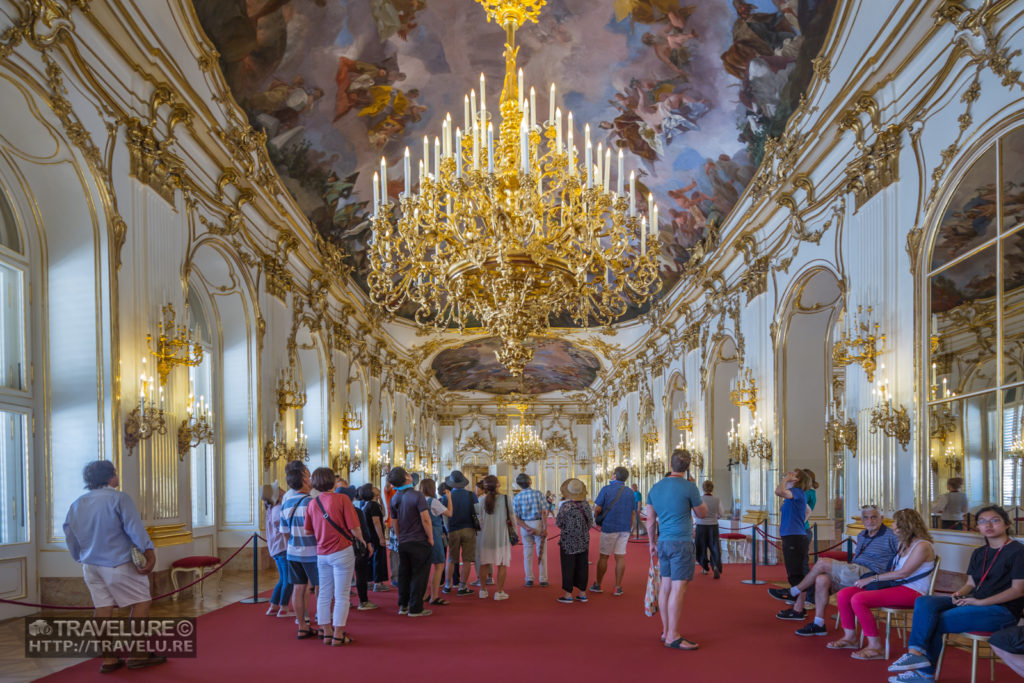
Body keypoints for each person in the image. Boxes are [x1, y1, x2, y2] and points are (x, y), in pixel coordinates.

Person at [888, 505, 1024, 682]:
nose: (988, 525)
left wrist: (980, 602)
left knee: (934, 620)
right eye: (982, 521)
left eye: (994, 520)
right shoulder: (979, 552)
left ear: (1006, 524)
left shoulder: (1018, 551)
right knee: (925, 602)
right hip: (975, 601)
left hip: (1001, 611)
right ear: (978, 527)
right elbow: (970, 583)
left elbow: (1017, 590)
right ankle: (915, 653)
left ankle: (924, 674)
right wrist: (959, 594)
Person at [63, 460, 165, 673]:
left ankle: (109, 660)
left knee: (102, 609)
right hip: (118, 563)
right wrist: (149, 553)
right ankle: (138, 654)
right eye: (115, 473)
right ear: (110, 477)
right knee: (141, 602)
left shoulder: (77, 503)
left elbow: (69, 534)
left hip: (90, 565)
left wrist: (79, 557)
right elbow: (134, 528)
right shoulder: (119, 498)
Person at [828, 508, 936, 656]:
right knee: (844, 594)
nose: (893, 526)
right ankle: (850, 637)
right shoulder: (903, 543)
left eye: (896, 523)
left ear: (906, 526)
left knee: (859, 599)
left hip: (913, 591)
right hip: (896, 585)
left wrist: (872, 578)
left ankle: (875, 646)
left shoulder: (922, 546)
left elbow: (904, 573)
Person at [769, 505, 899, 625]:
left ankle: (794, 591)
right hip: (855, 571)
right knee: (821, 579)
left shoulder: (891, 536)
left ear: (881, 518)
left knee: (822, 562)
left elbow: (903, 557)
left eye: (874, 517)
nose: (870, 521)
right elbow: (857, 560)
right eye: (866, 517)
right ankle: (818, 623)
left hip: (871, 574)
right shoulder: (862, 535)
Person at [645, 448, 708, 650]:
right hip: (681, 542)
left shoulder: (655, 488)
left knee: (666, 586)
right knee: (678, 589)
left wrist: (651, 543)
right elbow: (702, 514)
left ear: (670, 464)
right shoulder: (689, 487)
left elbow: (650, 521)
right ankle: (673, 635)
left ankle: (665, 631)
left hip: (663, 541)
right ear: (688, 467)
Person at [303, 467, 366, 645]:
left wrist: (323, 534)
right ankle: (338, 633)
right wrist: (362, 540)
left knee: (324, 593)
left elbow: (308, 532)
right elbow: (354, 528)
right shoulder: (342, 499)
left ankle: (326, 631)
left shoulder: (312, 503)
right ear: (332, 481)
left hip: (322, 553)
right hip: (342, 551)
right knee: (342, 594)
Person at [279, 460, 319, 638]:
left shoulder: (286, 504)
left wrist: (293, 546)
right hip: (313, 551)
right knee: (320, 586)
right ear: (303, 481)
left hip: (293, 552)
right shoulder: (311, 502)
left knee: (298, 588)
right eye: (308, 478)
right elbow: (318, 530)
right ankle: (322, 617)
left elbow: (285, 532)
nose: (310, 480)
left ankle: (302, 625)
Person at [388, 466, 434, 617]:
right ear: (407, 478)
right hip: (419, 540)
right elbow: (426, 519)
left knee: (404, 574)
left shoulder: (394, 498)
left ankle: (403, 605)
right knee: (419, 575)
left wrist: (401, 537)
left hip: (404, 541)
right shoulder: (417, 495)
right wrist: (431, 538)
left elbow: (395, 522)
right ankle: (416, 608)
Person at [774, 470, 811, 622]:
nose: (789, 476)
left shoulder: (797, 492)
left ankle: (798, 610)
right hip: (792, 536)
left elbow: (778, 491)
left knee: (796, 575)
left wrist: (785, 478)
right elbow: (807, 510)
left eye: (793, 475)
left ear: (797, 480)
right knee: (794, 573)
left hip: (795, 537)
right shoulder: (795, 495)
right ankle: (798, 607)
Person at [592, 466, 635, 595]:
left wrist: (596, 517)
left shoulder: (606, 489)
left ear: (614, 476)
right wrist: (630, 527)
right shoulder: (630, 492)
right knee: (620, 557)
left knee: (604, 556)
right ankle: (617, 586)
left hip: (609, 527)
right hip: (625, 528)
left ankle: (598, 584)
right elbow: (633, 512)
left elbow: (598, 509)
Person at [555, 478, 595, 603]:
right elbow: (590, 522)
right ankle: (582, 593)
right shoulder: (586, 505)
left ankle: (568, 594)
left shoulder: (565, 506)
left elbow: (559, 523)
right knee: (582, 565)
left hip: (568, 542)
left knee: (568, 566)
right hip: (583, 540)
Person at [477, 474, 516, 600]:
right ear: (498, 485)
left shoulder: (482, 500)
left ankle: (482, 591)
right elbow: (512, 518)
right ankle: (499, 592)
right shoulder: (505, 498)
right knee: (502, 564)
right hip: (501, 536)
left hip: (485, 536)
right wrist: (514, 532)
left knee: (484, 564)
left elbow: (480, 520)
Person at [442, 470, 479, 595]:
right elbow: (477, 513)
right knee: (467, 559)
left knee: (451, 559)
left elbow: (445, 517)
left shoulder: (446, 497)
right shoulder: (471, 495)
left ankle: (447, 585)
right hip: (469, 528)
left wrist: (448, 530)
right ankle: (462, 586)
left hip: (453, 529)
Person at [420, 478, 453, 606]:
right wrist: (449, 498)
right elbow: (449, 513)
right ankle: (434, 596)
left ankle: (423, 594)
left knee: (424, 566)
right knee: (439, 565)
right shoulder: (432, 501)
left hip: (421, 534)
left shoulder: (419, 500)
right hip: (434, 533)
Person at [262, 482, 293, 618]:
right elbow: (282, 527)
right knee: (289, 579)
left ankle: (274, 605)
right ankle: (283, 608)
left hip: (277, 548)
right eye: (279, 489)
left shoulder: (272, 508)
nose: (283, 489)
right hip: (283, 547)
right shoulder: (278, 509)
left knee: (282, 579)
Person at [512, 473, 549, 587]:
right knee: (541, 552)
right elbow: (544, 512)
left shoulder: (517, 497)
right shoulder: (538, 494)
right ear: (530, 482)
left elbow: (515, 517)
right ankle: (543, 579)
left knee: (527, 552)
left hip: (525, 524)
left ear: (519, 485)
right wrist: (544, 527)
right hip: (538, 522)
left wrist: (527, 527)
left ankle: (529, 579)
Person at [355, 484, 389, 591]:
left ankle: (369, 581)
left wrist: (381, 500)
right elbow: (376, 522)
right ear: (370, 492)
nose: (376, 488)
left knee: (371, 559)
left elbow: (383, 513)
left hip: (370, 536)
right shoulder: (373, 505)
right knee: (379, 559)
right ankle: (378, 584)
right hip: (375, 535)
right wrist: (381, 537)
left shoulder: (370, 504)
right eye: (374, 487)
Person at [695, 479, 723, 579]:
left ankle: (705, 568)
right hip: (713, 525)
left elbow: (695, 513)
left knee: (701, 547)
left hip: (701, 525)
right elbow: (721, 513)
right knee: (714, 547)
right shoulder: (717, 499)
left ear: (703, 488)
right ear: (712, 489)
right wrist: (715, 517)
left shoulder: (699, 499)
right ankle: (715, 565)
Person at [803, 469, 819, 574]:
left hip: (802, 528)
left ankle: (804, 584)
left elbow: (806, 510)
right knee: (803, 558)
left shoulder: (806, 493)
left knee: (801, 560)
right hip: (806, 528)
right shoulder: (812, 493)